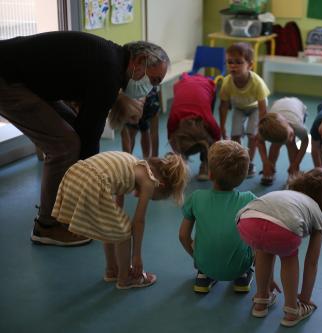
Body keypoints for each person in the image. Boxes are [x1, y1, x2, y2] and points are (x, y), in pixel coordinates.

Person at [0, 31, 169, 246]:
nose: (151, 88)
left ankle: (61, 208)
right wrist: (96, 183)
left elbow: (84, 125)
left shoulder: (113, 59)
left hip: (22, 78)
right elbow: (90, 136)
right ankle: (46, 226)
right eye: (153, 80)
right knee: (65, 145)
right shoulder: (110, 72)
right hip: (7, 78)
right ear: (139, 61)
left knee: (71, 133)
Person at [52, 151, 188, 289]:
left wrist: (116, 220)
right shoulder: (149, 181)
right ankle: (125, 278)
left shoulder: (132, 162)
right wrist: (137, 257)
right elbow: (138, 221)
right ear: (160, 185)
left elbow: (118, 195)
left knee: (112, 225)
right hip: (91, 183)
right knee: (124, 231)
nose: (141, 196)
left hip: (74, 174)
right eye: (153, 197)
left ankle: (112, 269)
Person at [236, 168, 322, 327]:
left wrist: (269, 278)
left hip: (247, 219)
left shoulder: (284, 194)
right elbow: (311, 262)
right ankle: (292, 310)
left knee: (263, 248)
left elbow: (265, 226)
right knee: (289, 255)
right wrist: (305, 298)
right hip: (282, 228)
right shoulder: (317, 212)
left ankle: (261, 299)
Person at [179, 140, 256, 293]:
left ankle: (204, 274)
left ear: (210, 174)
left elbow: (183, 236)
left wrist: (197, 258)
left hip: (204, 262)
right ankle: (242, 275)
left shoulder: (196, 198)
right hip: (238, 266)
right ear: (243, 176)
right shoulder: (249, 200)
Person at [219, 42, 269, 177]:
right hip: (239, 108)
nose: (233, 66)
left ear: (250, 65)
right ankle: (238, 160)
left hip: (255, 108)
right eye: (230, 62)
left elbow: (262, 106)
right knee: (235, 135)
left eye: (239, 62)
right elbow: (223, 105)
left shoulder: (257, 82)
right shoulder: (227, 82)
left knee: (252, 135)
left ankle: (249, 162)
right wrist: (222, 126)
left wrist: (261, 126)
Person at [167, 73, 221, 181]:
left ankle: (204, 163)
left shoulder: (206, 117)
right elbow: (171, 137)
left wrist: (212, 151)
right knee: (177, 141)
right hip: (185, 86)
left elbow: (216, 137)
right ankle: (182, 161)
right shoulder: (175, 114)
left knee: (211, 136)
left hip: (208, 86)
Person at [257, 97, 309, 186]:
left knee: (291, 144)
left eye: (291, 134)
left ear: (287, 123)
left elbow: (305, 142)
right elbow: (260, 142)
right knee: (275, 145)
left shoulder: (299, 128)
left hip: (298, 106)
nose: (292, 137)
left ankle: (293, 172)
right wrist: (265, 162)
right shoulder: (264, 130)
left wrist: (296, 163)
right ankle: (270, 169)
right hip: (279, 104)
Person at [121, 86, 161, 159]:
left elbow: (154, 133)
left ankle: (147, 160)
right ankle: (129, 162)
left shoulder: (151, 104)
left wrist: (154, 160)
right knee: (133, 132)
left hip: (146, 99)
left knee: (142, 130)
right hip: (133, 97)